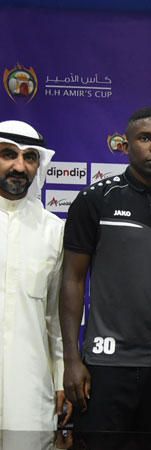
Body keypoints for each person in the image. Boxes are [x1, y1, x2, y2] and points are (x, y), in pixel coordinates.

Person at [60, 107, 151, 432]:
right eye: (145, 138)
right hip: (107, 363)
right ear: (125, 146)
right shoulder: (95, 200)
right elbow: (72, 278)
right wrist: (71, 359)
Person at [0, 120, 69, 430]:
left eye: (29, 157)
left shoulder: (53, 231)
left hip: (30, 389)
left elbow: (56, 318)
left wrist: (61, 378)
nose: (19, 166)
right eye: (8, 154)